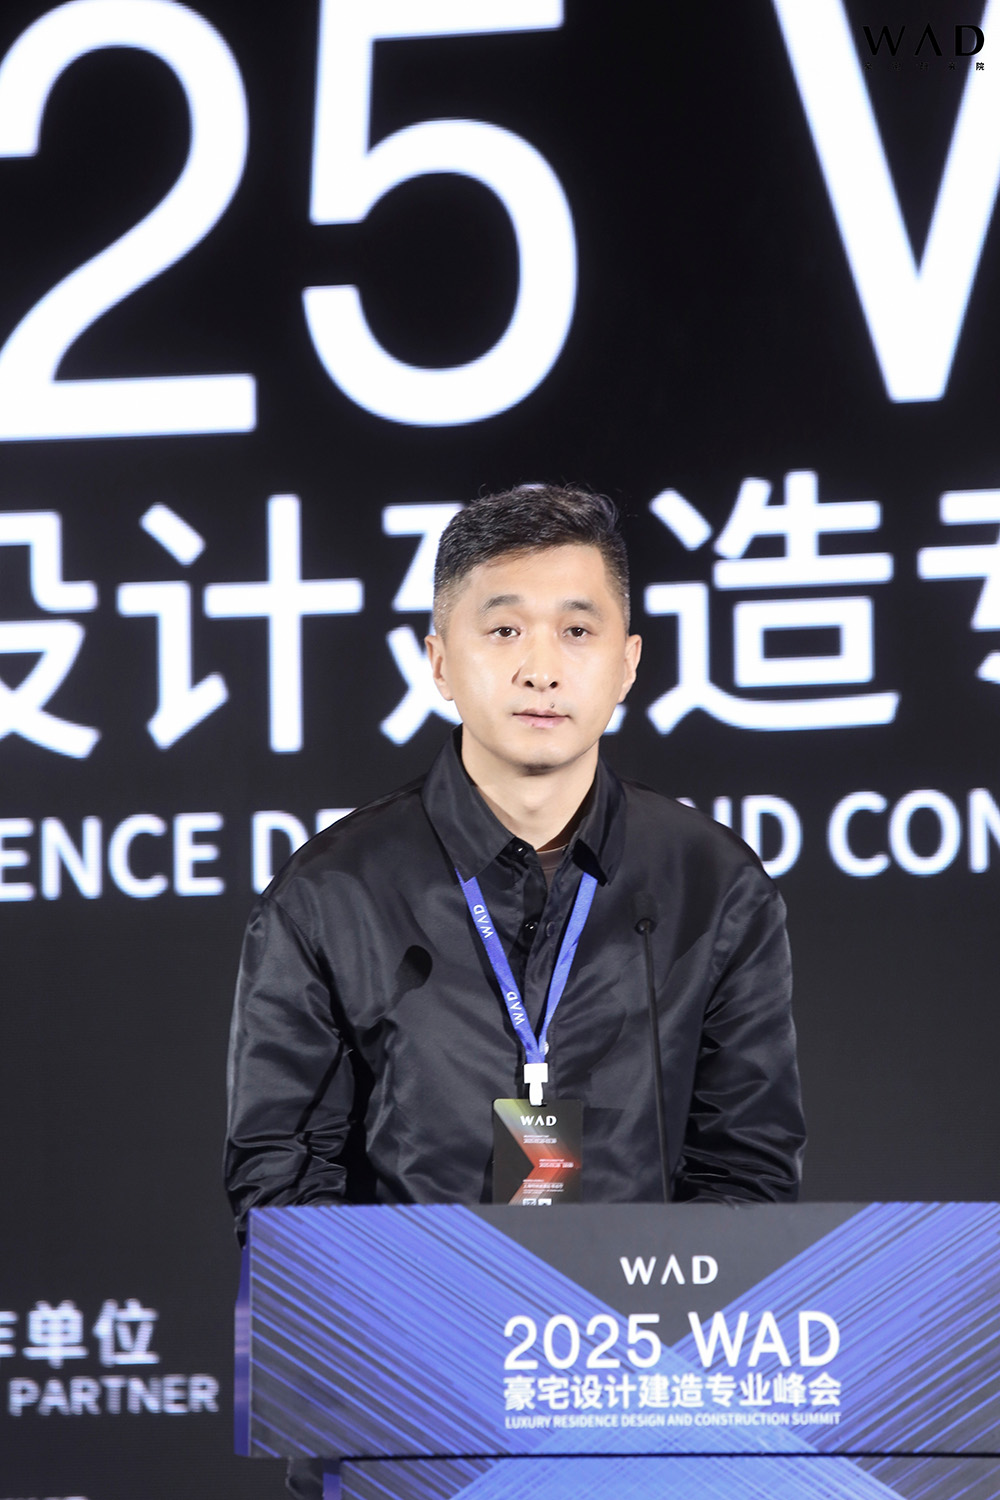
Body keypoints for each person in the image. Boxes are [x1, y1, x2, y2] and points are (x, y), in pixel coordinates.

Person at [225, 483, 805, 1498]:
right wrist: (415, 1360)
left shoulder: (713, 886)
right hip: (403, 1427)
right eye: (503, 630)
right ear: (438, 659)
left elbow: (747, 1173)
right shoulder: (331, 893)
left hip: (640, 1429)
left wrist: (637, 1379)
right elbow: (281, 1185)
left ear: (628, 661)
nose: (542, 666)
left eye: (577, 630)